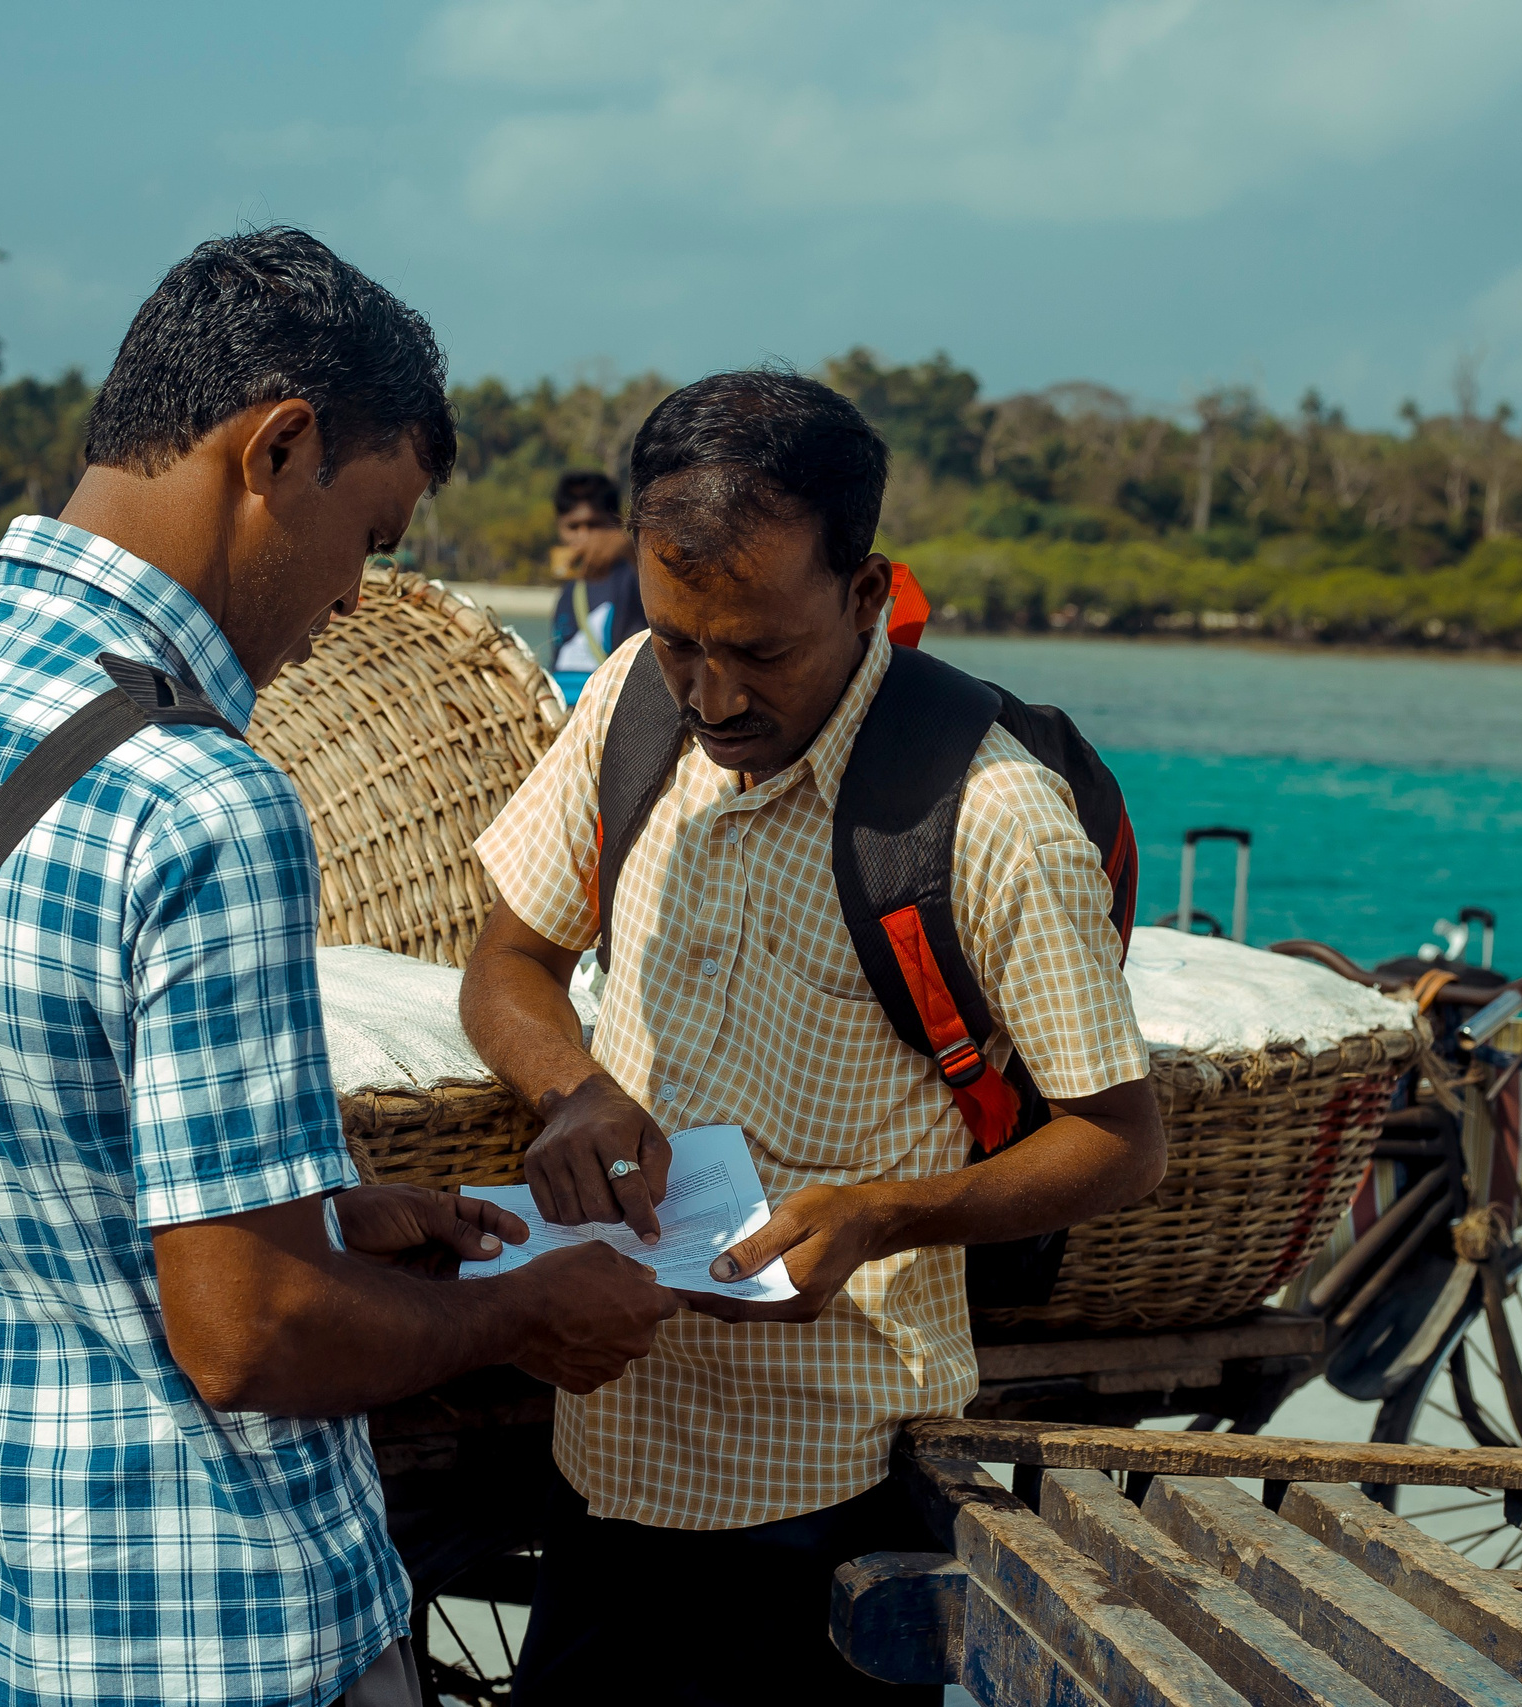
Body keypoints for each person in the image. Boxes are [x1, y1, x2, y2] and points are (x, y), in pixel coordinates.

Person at [0, 229, 677, 1707]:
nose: (349, 603)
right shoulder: (201, 795)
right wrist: (524, 1311)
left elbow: (12, 1166)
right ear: (279, 448)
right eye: (373, 536)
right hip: (211, 1632)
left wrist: (322, 1212)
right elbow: (247, 1331)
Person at [459, 369, 1165, 1705]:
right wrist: (575, 1090)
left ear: (863, 592)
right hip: (607, 1447)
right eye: (680, 639)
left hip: (840, 1477)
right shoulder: (630, 702)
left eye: (760, 651)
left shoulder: (992, 813)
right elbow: (508, 960)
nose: (714, 693)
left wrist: (884, 1214)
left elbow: (1122, 1142)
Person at [543, 469, 645, 705]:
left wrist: (629, 548)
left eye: (594, 525)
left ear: (617, 524)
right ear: (559, 528)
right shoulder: (570, 591)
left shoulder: (635, 573)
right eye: (573, 527)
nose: (584, 536)